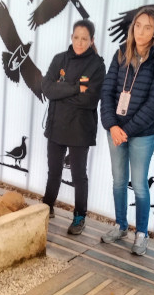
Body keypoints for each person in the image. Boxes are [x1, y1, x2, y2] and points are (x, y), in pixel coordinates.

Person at [99, 7, 154, 255]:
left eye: (148, 27)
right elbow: (107, 90)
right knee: (119, 181)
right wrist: (111, 125)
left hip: (141, 134)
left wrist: (126, 130)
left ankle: (141, 233)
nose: (141, 31)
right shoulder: (121, 52)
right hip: (115, 130)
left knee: (139, 185)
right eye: (138, 25)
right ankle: (121, 225)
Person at [42, 20, 106, 234]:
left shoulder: (97, 65)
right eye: (76, 37)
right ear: (71, 37)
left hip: (80, 128)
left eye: (85, 38)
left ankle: (79, 216)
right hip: (56, 124)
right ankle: (47, 206)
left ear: (92, 40)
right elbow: (47, 89)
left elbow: (89, 100)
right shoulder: (59, 59)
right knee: (54, 171)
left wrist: (61, 92)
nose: (80, 42)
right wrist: (76, 87)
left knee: (79, 175)